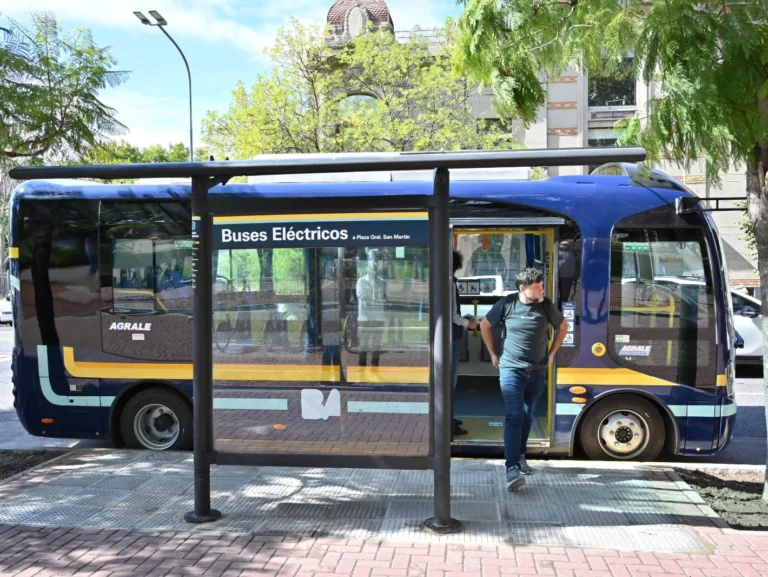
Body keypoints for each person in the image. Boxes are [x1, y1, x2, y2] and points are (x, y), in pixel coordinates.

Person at [480, 267, 568, 491]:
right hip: (511, 369)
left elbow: (563, 326)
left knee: (528, 414)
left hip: (537, 370)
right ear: (523, 289)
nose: (541, 290)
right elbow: (485, 325)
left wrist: (551, 354)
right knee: (514, 415)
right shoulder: (507, 304)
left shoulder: (546, 305)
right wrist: (492, 353)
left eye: (541, 286)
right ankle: (511, 469)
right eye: (537, 287)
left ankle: (519, 456)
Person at [451, 250, 477, 436]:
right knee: (450, 382)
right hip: (450, 338)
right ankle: (448, 422)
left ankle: (449, 417)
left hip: (449, 336)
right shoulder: (450, 283)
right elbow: (452, 315)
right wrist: (469, 323)